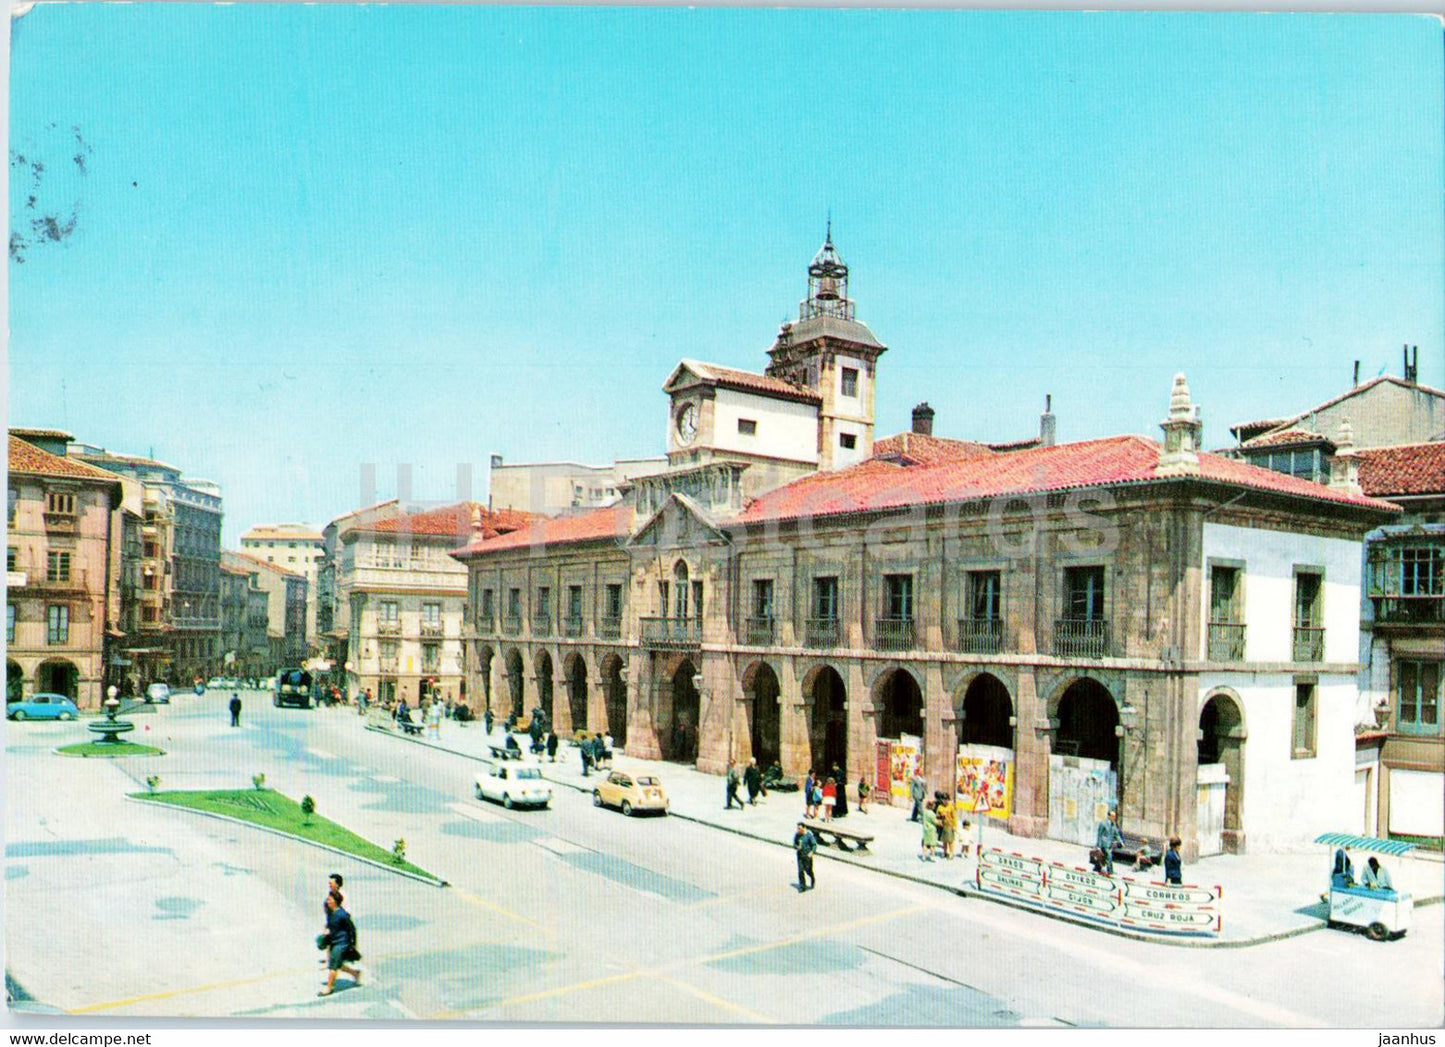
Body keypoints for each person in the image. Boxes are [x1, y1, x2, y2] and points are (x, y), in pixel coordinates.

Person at [317, 891, 361, 996]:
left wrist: (353, 944)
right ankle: (355, 973)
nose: (327, 901)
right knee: (338, 964)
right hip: (333, 941)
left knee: (333, 966)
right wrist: (324, 935)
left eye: (329, 899)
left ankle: (329, 987)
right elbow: (329, 925)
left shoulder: (342, 914)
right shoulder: (330, 912)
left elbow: (352, 929)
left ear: (335, 902)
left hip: (342, 943)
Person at [1095, 809, 1125, 876]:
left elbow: (1116, 834)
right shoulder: (1103, 823)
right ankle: (1110, 871)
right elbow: (1099, 835)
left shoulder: (1113, 824)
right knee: (1109, 857)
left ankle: (1099, 869)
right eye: (1112, 816)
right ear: (1108, 816)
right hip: (1104, 844)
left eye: (1114, 816)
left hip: (1110, 844)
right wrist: (1099, 846)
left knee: (1105, 858)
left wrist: (1121, 842)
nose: (1114, 817)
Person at [793, 822, 817, 891]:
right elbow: (794, 844)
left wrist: (812, 852)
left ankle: (812, 878)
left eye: (800, 828)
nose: (798, 830)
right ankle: (802, 886)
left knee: (808, 871)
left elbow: (814, 845)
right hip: (800, 855)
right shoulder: (797, 835)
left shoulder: (808, 835)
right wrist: (797, 847)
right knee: (800, 871)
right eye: (798, 828)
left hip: (807, 856)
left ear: (804, 828)